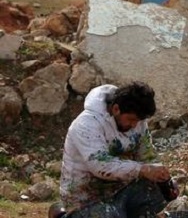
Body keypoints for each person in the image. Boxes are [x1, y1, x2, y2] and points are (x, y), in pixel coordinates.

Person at [52, 82, 178, 218]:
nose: (134, 125)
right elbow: (100, 165)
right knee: (109, 214)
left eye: (138, 121)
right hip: (86, 199)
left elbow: (147, 156)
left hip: (121, 191)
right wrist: (142, 170)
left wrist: (161, 176)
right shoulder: (86, 125)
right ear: (116, 109)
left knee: (158, 188)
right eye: (131, 119)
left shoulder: (138, 123)